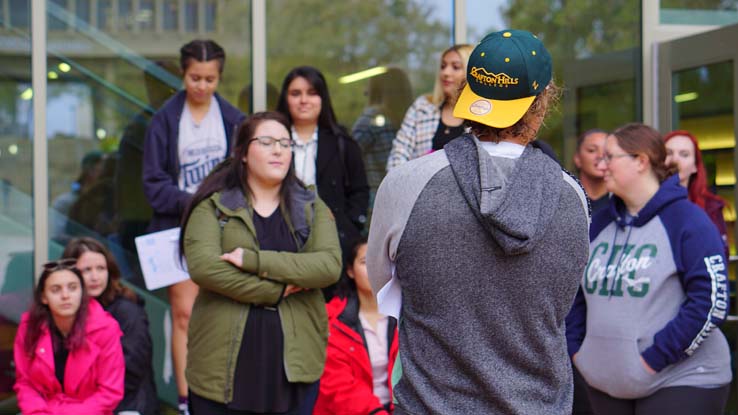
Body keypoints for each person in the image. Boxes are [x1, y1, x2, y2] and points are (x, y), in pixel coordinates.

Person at [367, 30, 590, 414]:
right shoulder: (574, 198)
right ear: (543, 101)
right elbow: (562, 302)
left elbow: (381, 284)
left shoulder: (406, 184)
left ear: (467, 92)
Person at [179, 111, 342, 414]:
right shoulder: (214, 207)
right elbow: (204, 267)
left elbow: (328, 266)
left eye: (285, 142)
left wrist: (253, 260)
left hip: (294, 365)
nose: (278, 149)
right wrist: (276, 291)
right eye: (266, 142)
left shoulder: (311, 206)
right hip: (220, 368)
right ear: (241, 153)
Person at [567, 123, 731, 415]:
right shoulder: (600, 222)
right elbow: (574, 293)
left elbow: (710, 302)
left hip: (682, 378)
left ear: (640, 161)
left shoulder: (687, 221)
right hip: (606, 382)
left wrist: (652, 360)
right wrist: (579, 352)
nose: (601, 165)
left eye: (610, 157)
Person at [142, 39, 245, 414]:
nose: (202, 85)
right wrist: (195, 201)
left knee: (225, 310)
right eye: (194, 77)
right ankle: (187, 401)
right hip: (176, 228)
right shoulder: (163, 121)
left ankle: (225, 392)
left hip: (224, 227)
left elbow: (244, 177)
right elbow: (153, 184)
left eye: (210, 79)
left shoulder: (234, 120)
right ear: (182, 75)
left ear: (219, 78)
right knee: (184, 314)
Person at [276, 66, 369, 257]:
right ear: (286, 98)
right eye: (295, 93)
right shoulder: (272, 141)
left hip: (334, 243)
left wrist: (349, 225)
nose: (304, 100)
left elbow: (360, 191)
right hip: (280, 239)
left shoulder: (343, 142)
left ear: (322, 98)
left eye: (312, 93)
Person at [13, 259, 125, 414]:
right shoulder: (29, 328)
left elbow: (110, 392)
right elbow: (25, 383)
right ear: (44, 297)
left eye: (73, 288)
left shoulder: (105, 329)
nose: (65, 296)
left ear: (82, 293)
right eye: (56, 289)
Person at [63, 237, 158, 415]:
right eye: (87, 270)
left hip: (127, 405)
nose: (95, 277)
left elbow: (130, 373)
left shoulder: (128, 311)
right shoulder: (68, 310)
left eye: (101, 268)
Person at [314, 237, 399, 414]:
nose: (374, 269)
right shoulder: (333, 319)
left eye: (379, 261)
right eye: (365, 262)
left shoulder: (405, 316)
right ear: (350, 271)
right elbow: (338, 385)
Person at [385, 44, 473, 170]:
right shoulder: (422, 107)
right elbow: (398, 153)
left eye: (455, 67)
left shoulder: (480, 116)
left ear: (471, 73)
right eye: (443, 66)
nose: (445, 72)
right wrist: (403, 184)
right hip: (417, 187)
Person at [352, 67, 413, 219]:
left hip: (376, 201)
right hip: (405, 200)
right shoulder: (410, 120)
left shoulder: (372, 119)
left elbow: (348, 156)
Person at [664, 130, 729, 257]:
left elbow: (719, 257)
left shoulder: (711, 207)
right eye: (668, 153)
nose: (675, 159)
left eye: (684, 154)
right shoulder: (644, 202)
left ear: (695, 166)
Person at [574, 128, 609, 214]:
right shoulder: (567, 199)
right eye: (592, 150)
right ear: (577, 158)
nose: (601, 156)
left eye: (607, 151)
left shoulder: (622, 202)